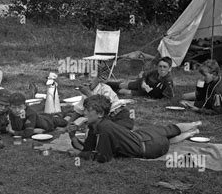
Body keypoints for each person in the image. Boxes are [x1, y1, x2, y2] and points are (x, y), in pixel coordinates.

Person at [67, 94, 202, 163]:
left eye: (88, 110)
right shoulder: (95, 125)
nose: (84, 113)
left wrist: (79, 155)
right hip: (143, 136)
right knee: (169, 130)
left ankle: (194, 127)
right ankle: (193, 128)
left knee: (167, 139)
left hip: (150, 147)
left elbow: (103, 157)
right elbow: (88, 149)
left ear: (100, 114)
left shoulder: (104, 128)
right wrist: (73, 136)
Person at [64, 73, 134, 130]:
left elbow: (102, 107)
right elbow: (79, 111)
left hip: (116, 118)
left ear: (99, 79)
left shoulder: (105, 89)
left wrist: (88, 94)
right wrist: (67, 126)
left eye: (92, 77)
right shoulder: (87, 91)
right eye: (86, 76)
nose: (88, 79)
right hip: (102, 119)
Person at [107, 56, 174, 99]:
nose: (162, 69)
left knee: (122, 92)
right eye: (160, 66)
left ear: (170, 69)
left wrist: (154, 101)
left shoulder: (168, 81)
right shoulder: (155, 72)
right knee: (122, 85)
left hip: (145, 93)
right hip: (139, 84)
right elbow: (144, 75)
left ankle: (107, 91)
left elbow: (168, 97)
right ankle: (104, 83)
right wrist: (143, 83)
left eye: (165, 67)